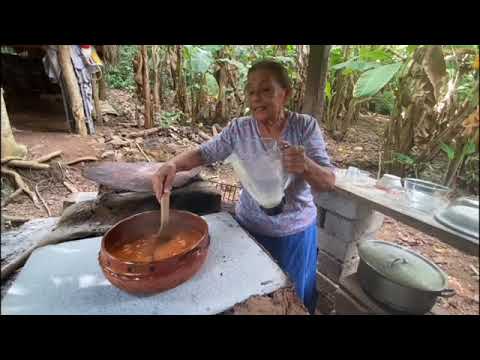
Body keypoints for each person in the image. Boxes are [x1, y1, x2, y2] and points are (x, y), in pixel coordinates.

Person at [152, 60, 335, 314]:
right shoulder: (240, 129)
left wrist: (305, 164)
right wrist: (172, 164)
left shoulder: (304, 127)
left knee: (291, 300)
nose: (256, 98)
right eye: (251, 91)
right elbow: (204, 154)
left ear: (286, 93)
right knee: (252, 298)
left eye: (265, 90)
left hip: (294, 235)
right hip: (249, 230)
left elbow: (328, 182)